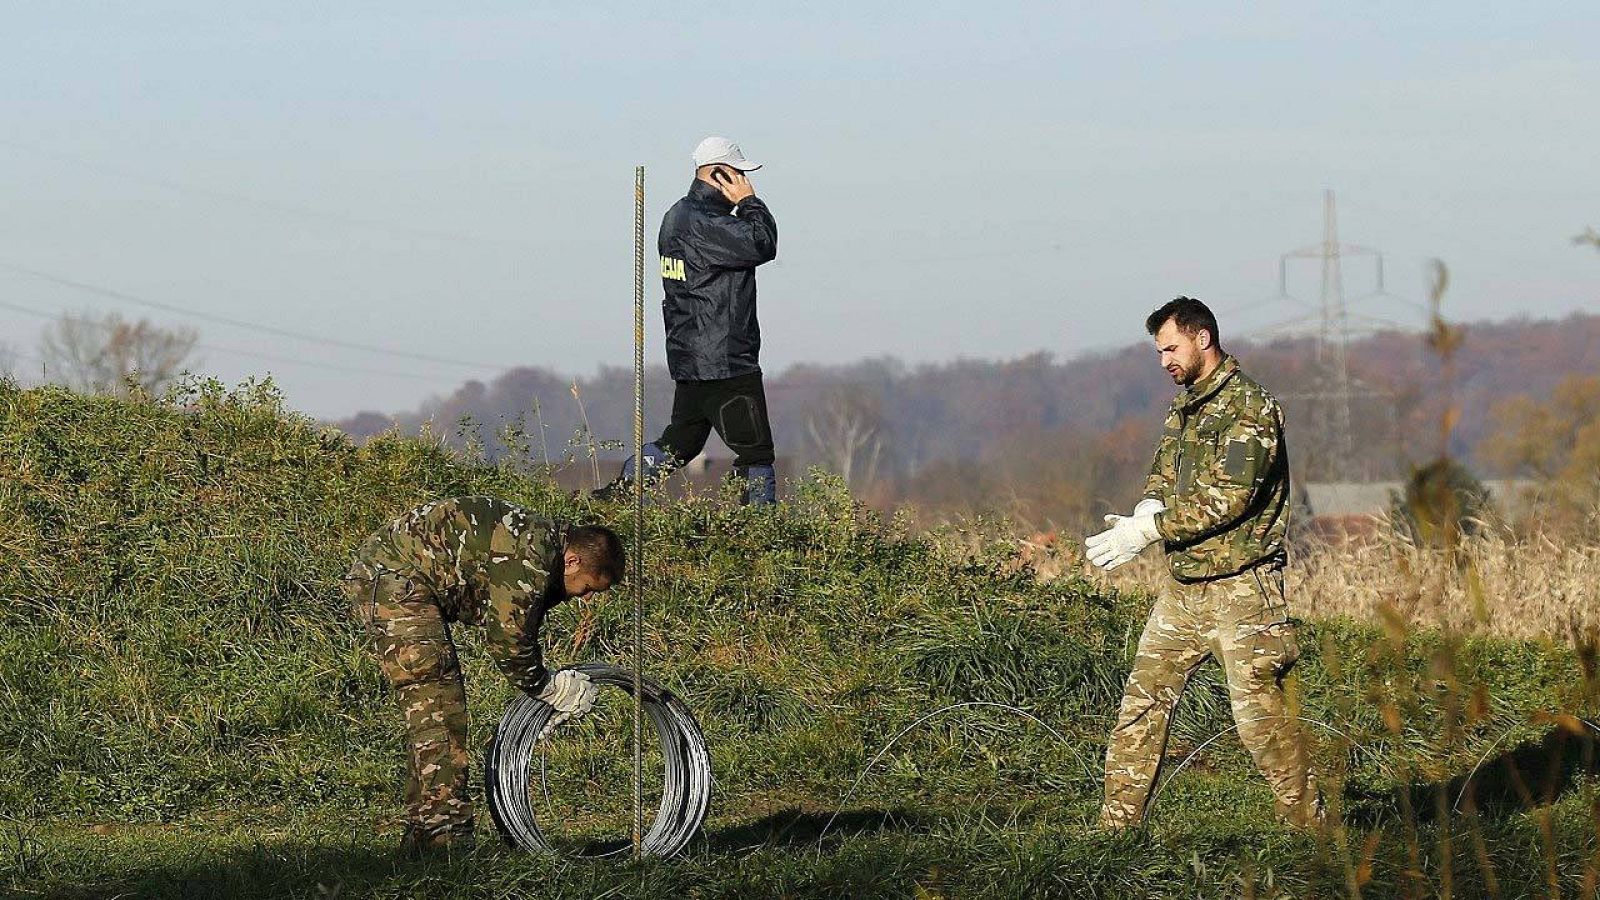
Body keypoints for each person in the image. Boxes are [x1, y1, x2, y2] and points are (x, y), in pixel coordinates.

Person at [1087, 297, 1322, 829]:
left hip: (1243, 589)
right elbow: (1163, 471)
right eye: (1159, 352)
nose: (1164, 361)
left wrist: (1150, 530)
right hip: (1184, 589)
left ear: (1202, 338)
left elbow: (1231, 498)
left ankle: (1310, 827)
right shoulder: (1186, 405)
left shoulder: (1250, 407)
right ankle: (1116, 829)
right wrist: (1146, 507)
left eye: (1171, 348)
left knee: (1259, 718)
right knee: (1141, 705)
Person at [342, 496, 625, 852]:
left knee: (431, 712)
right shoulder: (533, 555)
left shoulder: (543, 545)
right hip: (395, 581)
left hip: (396, 576)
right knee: (438, 707)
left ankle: (423, 835)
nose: (584, 598)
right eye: (587, 587)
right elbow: (508, 637)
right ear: (572, 561)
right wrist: (547, 688)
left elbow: (519, 622)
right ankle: (444, 839)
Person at [599, 135, 779, 505]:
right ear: (720, 174)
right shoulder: (709, 224)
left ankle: (615, 498)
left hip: (689, 358)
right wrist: (749, 202)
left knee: (679, 444)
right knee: (756, 456)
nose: (745, 181)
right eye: (739, 173)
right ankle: (761, 532)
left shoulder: (676, 216)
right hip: (727, 362)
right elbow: (763, 243)